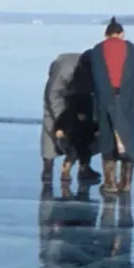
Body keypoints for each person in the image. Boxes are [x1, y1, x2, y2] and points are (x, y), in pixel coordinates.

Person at [85, 17, 134, 196]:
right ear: (122, 34)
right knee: (128, 140)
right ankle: (127, 183)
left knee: (107, 140)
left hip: (105, 99)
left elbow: (91, 78)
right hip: (127, 101)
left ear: (106, 34)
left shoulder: (97, 51)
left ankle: (110, 183)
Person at [41, 50, 99, 189]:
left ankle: (84, 167)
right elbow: (52, 95)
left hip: (81, 96)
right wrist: (64, 120)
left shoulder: (97, 70)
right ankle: (47, 168)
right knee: (51, 125)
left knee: (89, 128)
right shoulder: (64, 69)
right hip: (58, 93)